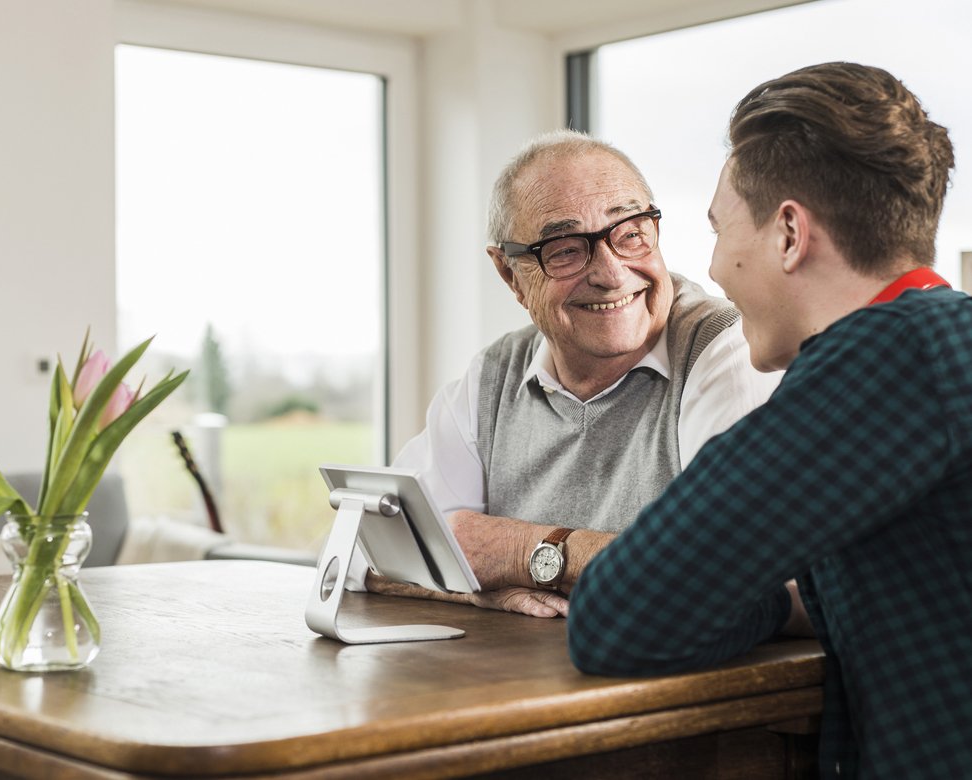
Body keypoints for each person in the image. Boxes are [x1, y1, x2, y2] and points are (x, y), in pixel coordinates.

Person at [568, 62, 971, 778]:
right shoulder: (943, 343)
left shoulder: (888, 354)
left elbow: (618, 618)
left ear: (789, 232)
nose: (716, 268)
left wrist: (750, 596)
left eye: (721, 230)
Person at [356, 130, 780, 617]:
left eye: (631, 233)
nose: (612, 272)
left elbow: (726, 571)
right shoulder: (493, 376)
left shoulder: (725, 347)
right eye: (564, 250)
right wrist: (469, 587)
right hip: (520, 682)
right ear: (510, 274)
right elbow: (359, 548)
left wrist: (521, 552)